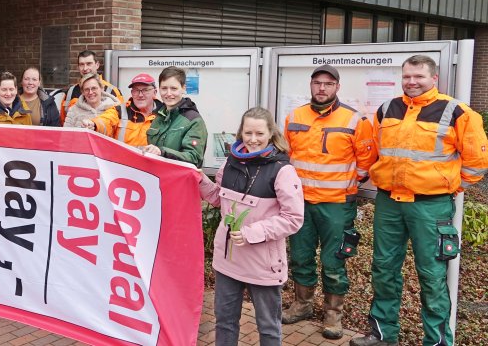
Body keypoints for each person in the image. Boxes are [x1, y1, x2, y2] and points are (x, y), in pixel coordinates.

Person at [351, 55, 488, 346]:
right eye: (407, 77)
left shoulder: (458, 113)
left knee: (431, 275)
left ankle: (436, 342)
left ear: (433, 78)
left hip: (431, 206)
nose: (412, 82)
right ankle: (383, 334)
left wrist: (447, 186)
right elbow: (375, 150)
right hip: (389, 203)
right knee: (383, 268)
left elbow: (477, 164)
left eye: (419, 77)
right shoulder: (387, 108)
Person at [281, 65, 377, 340]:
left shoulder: (354, 119)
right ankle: (302, 304)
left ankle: (333, 314)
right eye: (317, 83)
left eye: (328, 84)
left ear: (337, 87)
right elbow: (285, 154)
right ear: (311, 85)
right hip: (300, 203)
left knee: (334, 260)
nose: (322, 88)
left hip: (336, 204)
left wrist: (347, 185)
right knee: (300, 256)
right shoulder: (295, 116)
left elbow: (366, 162)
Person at [198, 107, 304, 346]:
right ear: (240, 133)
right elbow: (218, 199)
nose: (253, 139)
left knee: (267, 327)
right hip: (227, 260)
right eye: (248, 133)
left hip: (262, 263)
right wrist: (199, 180)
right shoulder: (231, 162)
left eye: (259, 133)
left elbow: (294, 218)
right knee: (224, 321)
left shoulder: (282, 170)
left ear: (271, 134)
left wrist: (252, 233)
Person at [142, 66, 208, 167]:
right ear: (159, 89)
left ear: (183, 88)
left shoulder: (194, 121)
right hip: (156, 178)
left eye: (173, 88)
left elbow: (194, 158)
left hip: (179, 181)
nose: (168, 94)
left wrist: (162, 152)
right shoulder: (157, 117)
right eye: (164, 88)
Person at [84, 73, 162, 146]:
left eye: (145, 90)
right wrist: (94, 124)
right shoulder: (120, 111)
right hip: (121, 160)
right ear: (132, 92)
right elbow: (106, 120)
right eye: (136, 90)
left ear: (154, 92)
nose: (140, 95)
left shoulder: (165, 114)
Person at [59, 50, 123, 123]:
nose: (85, 68)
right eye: (82, 64)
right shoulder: (70, 92)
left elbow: (121, 120)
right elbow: (63, 121)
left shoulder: (113, 91)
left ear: (97, 65)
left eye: (89, 64)